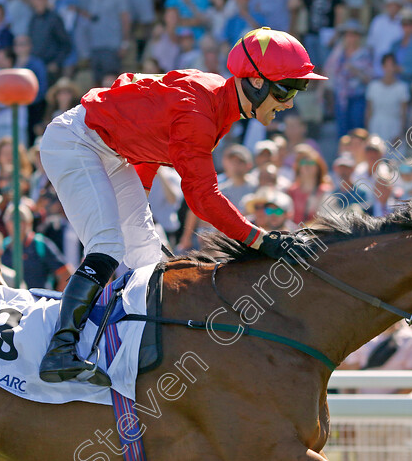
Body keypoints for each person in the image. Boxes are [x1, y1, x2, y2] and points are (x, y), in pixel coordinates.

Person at [38, 27, 324, 385]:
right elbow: (202, 198)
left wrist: (137, 195)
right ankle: (59, 350)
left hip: (111, 149)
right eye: (284, 90)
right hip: (76, 142)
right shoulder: (200, 113)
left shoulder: (218, 98)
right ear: (253, 82)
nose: (290, 103)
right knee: (109, 245)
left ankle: (144, 354)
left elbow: (150, 134)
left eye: (298, 91)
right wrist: (260, 240)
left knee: (149, 257)